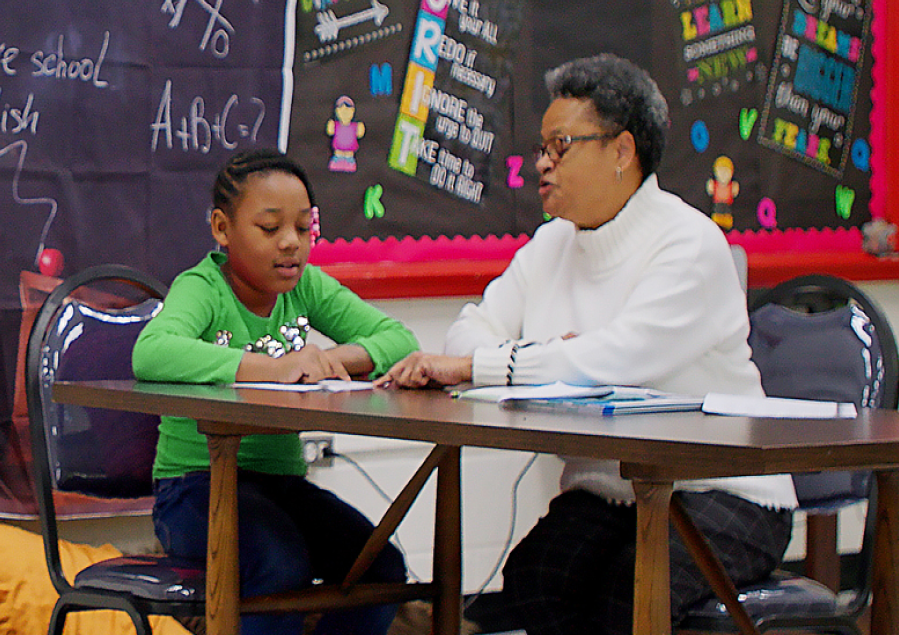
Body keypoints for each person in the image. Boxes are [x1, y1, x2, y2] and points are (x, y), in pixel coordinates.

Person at [375, 54, 797, 634]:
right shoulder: (551, 245)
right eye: (543, 147)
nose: (542, 164)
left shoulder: (689, 242)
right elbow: (468, 332)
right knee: (536, 580)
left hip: (722, 487)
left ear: (621, 151)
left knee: (632, 589)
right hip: (610, 491)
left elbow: (614, 361)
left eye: (561, 146)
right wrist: (549, 355)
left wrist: (516, 360)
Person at [133, 148, 419, 635]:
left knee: (380, 568)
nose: (291, 244)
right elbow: (152, 351)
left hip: (281, 486)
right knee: (280, 564)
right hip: (194, 489)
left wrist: (332, 360)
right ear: (223, 229)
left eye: (304, 228)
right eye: (269, 229)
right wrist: (274, 366)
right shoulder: (203, 287)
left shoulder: (304, 286)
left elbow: (400, 341)